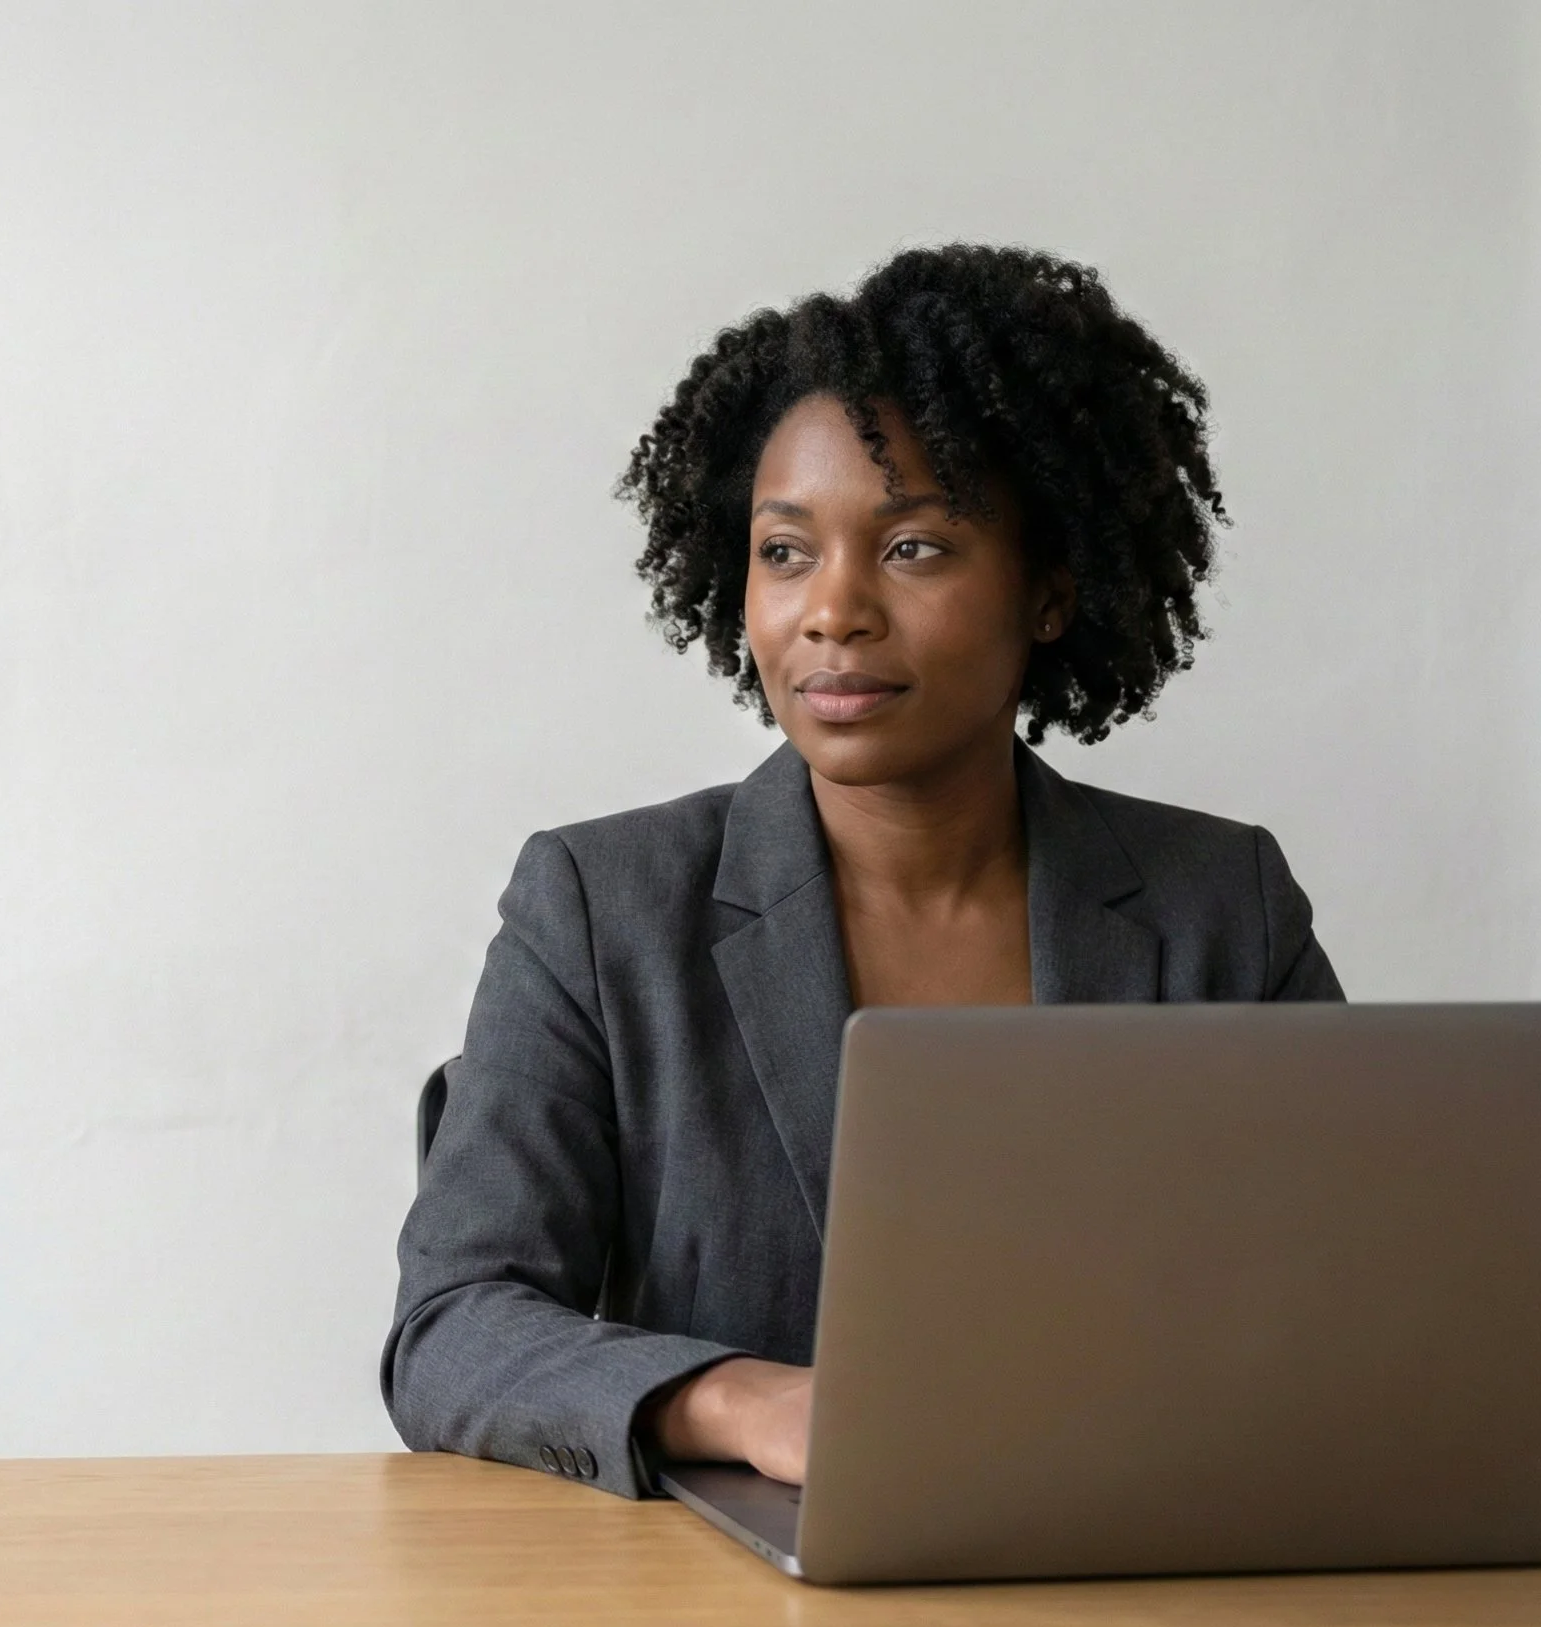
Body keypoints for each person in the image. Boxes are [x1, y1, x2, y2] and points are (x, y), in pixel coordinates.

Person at [380, 245, 1344, 1499]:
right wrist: (742, 1399)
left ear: (1049, 592)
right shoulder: (599, 905)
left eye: (914, 550)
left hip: (1131, 1552)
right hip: (735, 1600)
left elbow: (1347, 1295)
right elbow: (452, 1325)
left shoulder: (1221, 905)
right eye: (785, 552)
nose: (831, 610)